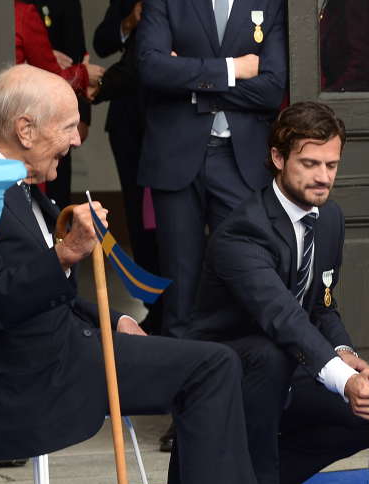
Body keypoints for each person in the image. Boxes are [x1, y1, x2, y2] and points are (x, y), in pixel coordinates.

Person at [0, 64, 289, 484]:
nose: (75, 138)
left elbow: (48, 293)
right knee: (211, 365)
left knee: (221, 360)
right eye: (67, 126)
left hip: (63, 347)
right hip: (28, 377)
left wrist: (116, 318)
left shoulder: (10, 176)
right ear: (25, 130)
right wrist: (66, 254)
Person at [191, 101, 369, 484]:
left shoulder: (329, 219)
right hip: (228, 372)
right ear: (278, 158)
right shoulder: (242, 231)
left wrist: (347, 355)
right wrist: (343, 378)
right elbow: (282, 317)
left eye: (331, 164)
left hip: (290, 362)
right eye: (309, 163)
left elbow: (321, 304)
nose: (323, 176)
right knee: (270, 353)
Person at [136, 0, 287, 339]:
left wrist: (193, 87)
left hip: (241, 162)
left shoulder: (269, 3)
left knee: (244, 278)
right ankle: (181, 384)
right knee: (180, 288)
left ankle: (237, 379)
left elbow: (271, 89)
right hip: (176, 159)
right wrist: (233, 69)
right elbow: (151, 67)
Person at [93, 0, 162, 333]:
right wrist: (129, 22)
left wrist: (94, 86)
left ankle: (173, 308)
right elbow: (102, 42)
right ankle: (155, 304)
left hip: (167, 124)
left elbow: (146, 64)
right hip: (127, 126)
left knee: (169, 222)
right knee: (139, 219)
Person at [36, 0, 93, 208]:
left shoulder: (66, 3)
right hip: (22, 106)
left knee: (57, 191)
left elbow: (77, 55)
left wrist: (82, 115)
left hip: (57, 107)